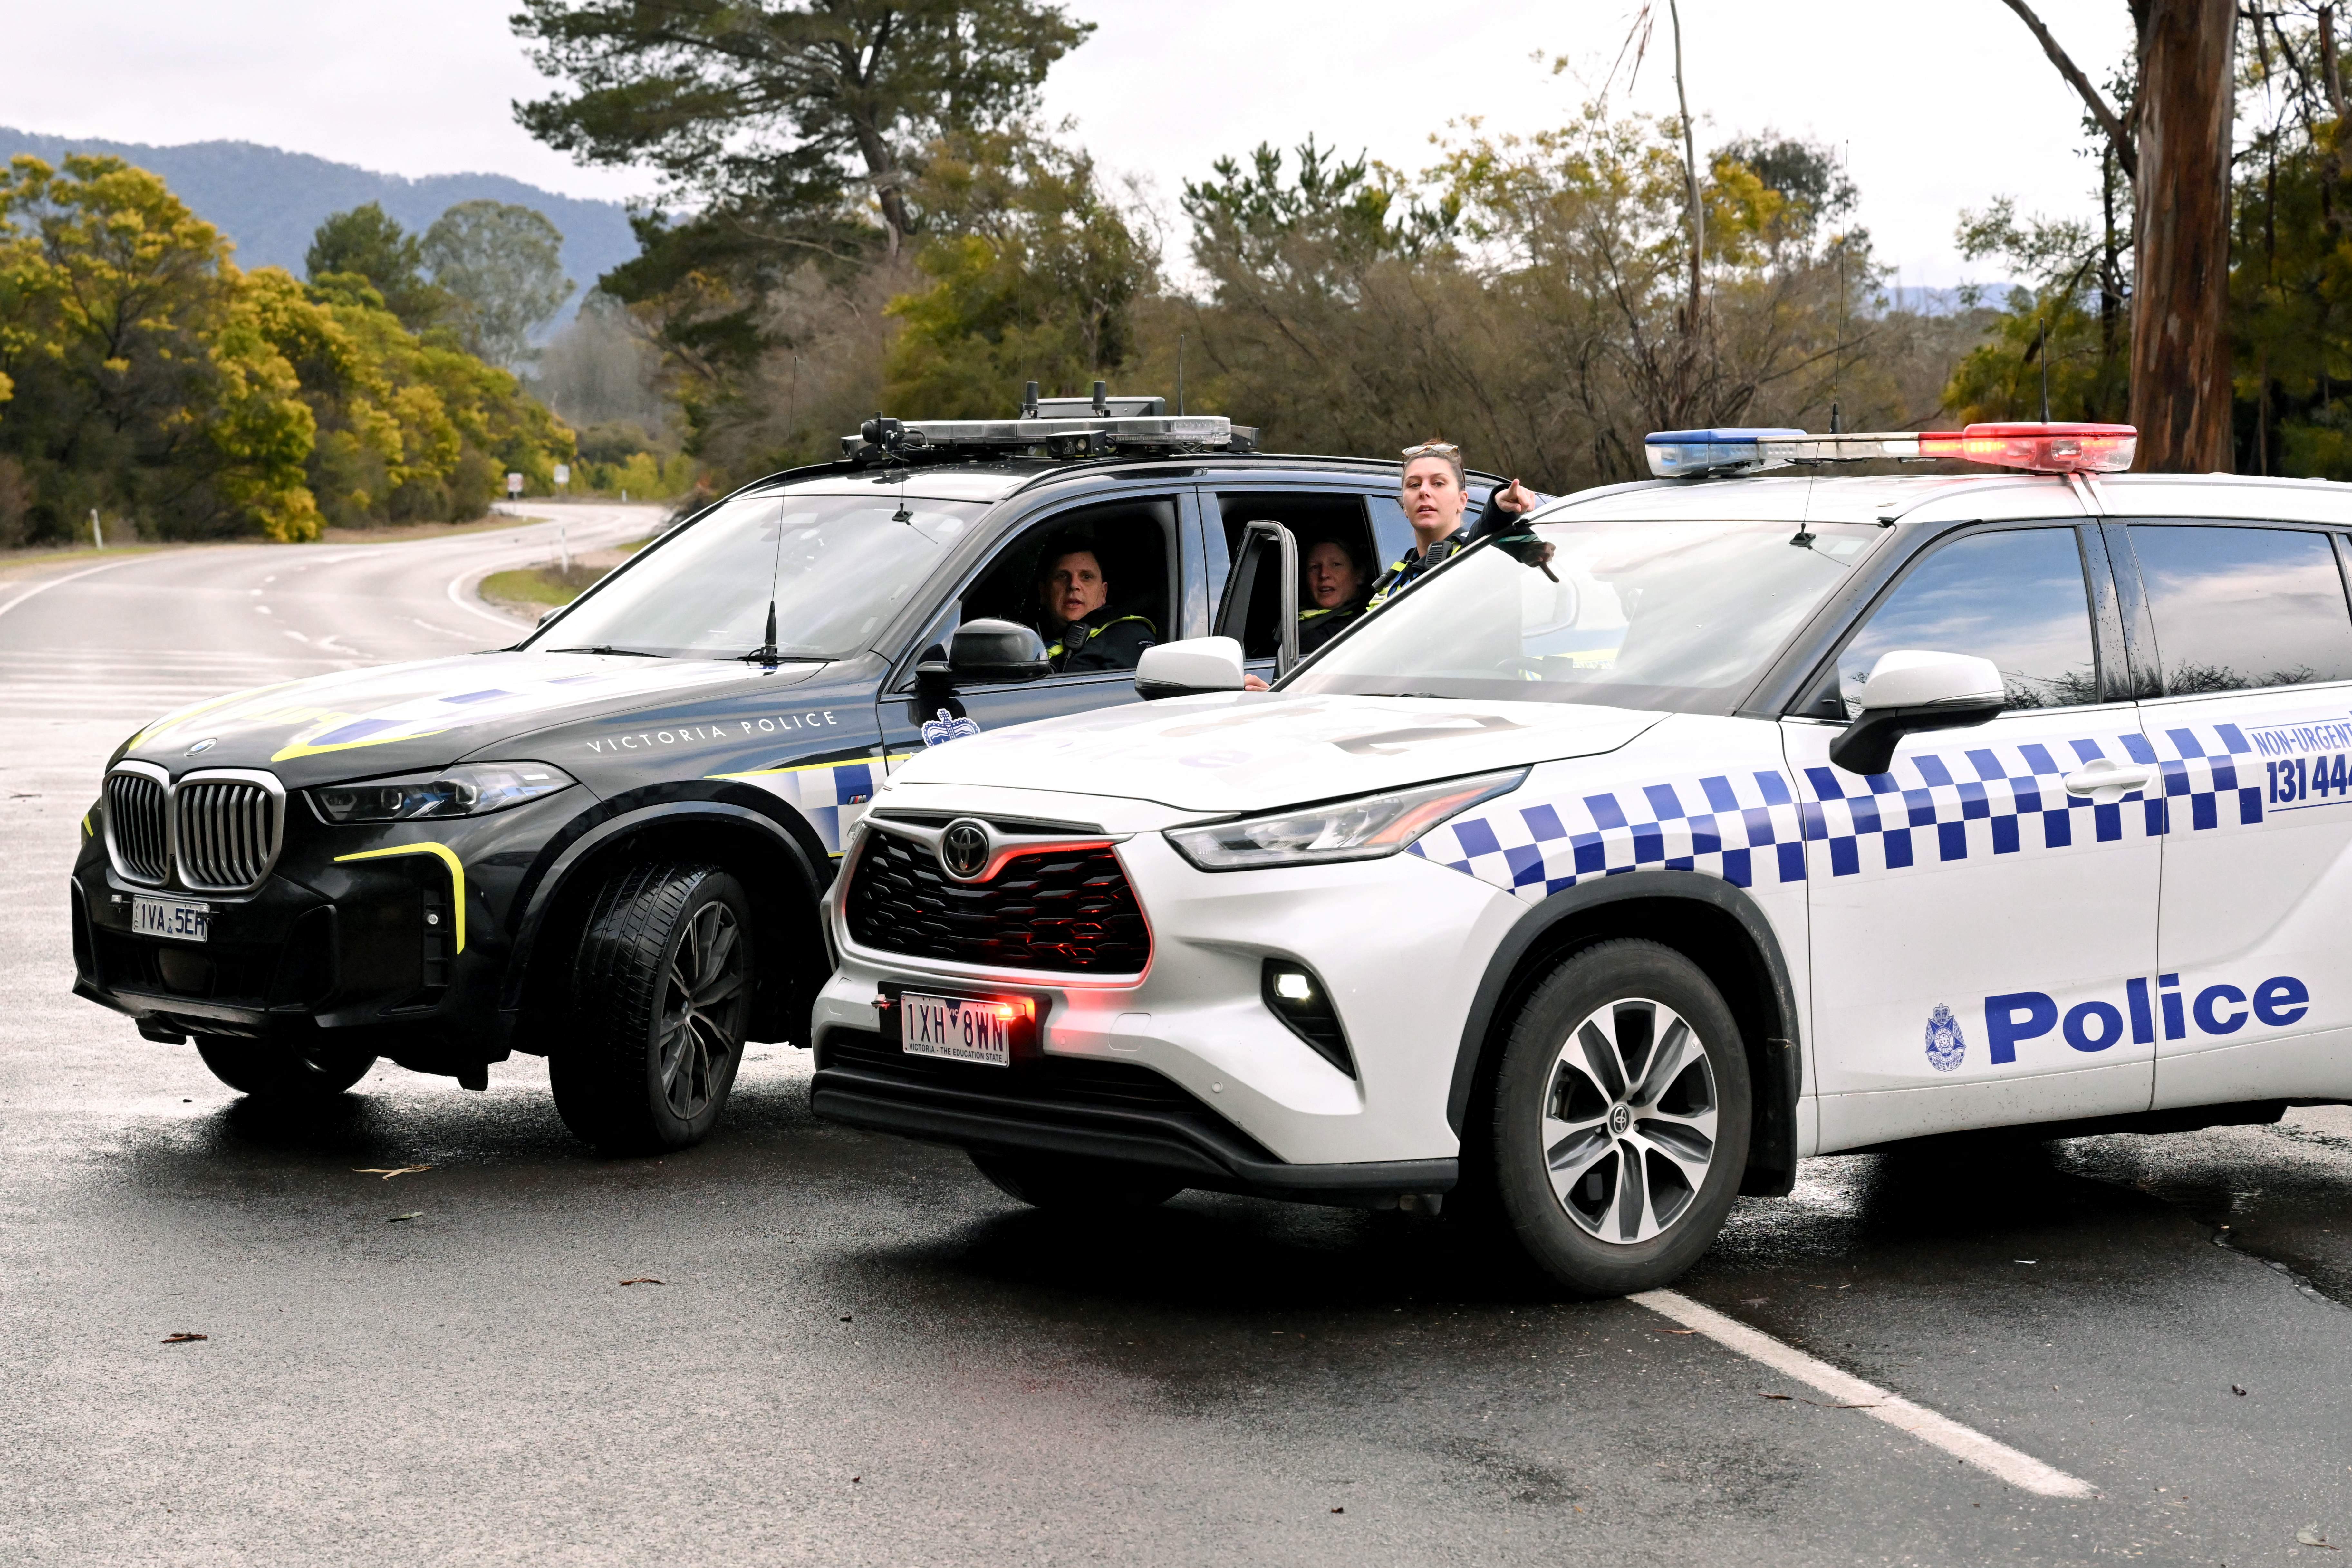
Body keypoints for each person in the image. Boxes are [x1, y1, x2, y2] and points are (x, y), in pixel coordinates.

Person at [1367, 440, 1541, 608]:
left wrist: (1499, 504)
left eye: (1439, 483)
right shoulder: (1392, 584)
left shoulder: (1477, 551)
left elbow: (1487, 530)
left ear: (1462, 501)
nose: (1424, 491)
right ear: (1404, 506)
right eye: (1414, 485)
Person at [1034, 545, 1156, 673]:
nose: (1073, 585)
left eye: (1086, 577)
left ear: (1103, 594)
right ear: (1043, 593)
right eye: (1063, 576)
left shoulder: (1128, 636)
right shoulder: (1032, 639)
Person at [1297, 536, 1373, 654]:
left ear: (1360, 575)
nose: (1324, 574)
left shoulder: (1364, 627)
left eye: (1336, 565)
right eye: (1315, 567)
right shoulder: (1289, 617)